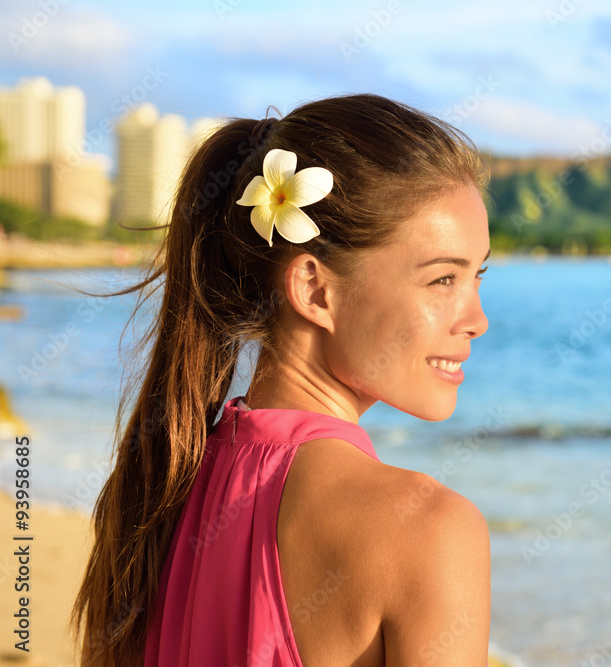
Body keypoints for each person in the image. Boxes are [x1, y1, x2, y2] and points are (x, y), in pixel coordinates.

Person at [70, 93, 493, 666]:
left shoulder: (165, 481)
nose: (476, 320)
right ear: (315, 289)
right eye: (443, 280)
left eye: (477, 278)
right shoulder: (430, 531)